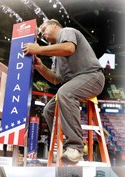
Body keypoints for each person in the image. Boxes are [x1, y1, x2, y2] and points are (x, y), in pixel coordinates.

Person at [23, 19, 105, 164]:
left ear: (54, 25)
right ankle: (60, 148)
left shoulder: (67, 31)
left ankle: (75, 147)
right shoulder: (56, 55)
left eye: (44, 30)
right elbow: (56, 79)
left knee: (65, 93)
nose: (43, 35)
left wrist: (38, 49)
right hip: (74, 83)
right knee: (48, 110)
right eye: (41, 34)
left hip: (92, 77)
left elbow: (69, 48)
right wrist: (40, 67)